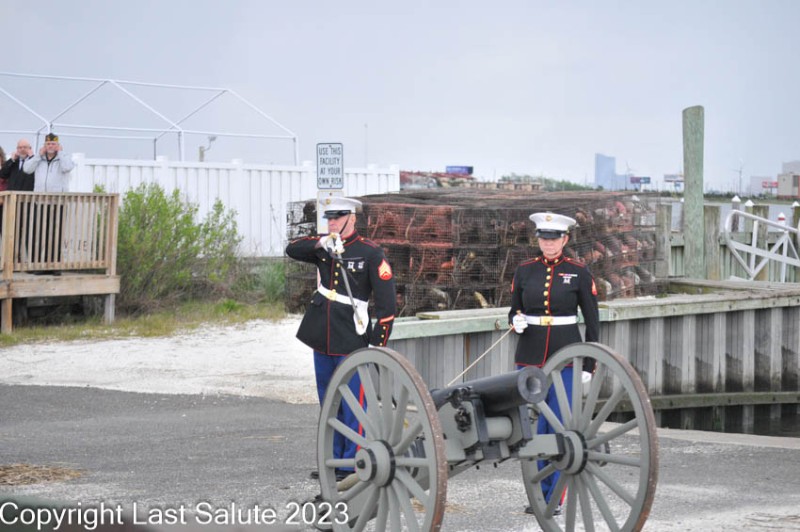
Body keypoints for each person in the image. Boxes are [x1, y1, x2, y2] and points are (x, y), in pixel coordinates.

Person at [285, 196, 397, 481]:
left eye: (337, 218)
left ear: (352, 218)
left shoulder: (370, 253)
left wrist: (376, 345)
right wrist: (321, 243)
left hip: (351, 336)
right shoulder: (324, 247)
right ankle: (333, 460)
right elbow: (292, 249)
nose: (332, 222)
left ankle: (352, 464)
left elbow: (386, 307)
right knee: (328, 400)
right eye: (329, 218)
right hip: (322, 335)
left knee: (353, 404)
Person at [508, 211, 600, 515]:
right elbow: (514, 309)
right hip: (530, 355)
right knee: (533, 428)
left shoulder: (579, 272)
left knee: (558, 424)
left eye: (554, 238)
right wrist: (515, 321)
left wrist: (589, 363)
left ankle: (554, 497)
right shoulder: (524, 270)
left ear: (565, 239)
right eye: (544, 239)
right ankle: (537, 493)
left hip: (566, 356)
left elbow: (592, 321)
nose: (548, 244)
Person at [22, 133, 74, 272]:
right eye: (48, 144)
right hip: (41, 202)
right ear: (44, 145)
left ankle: (55, 266)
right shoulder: (39, 159)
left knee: (56, 234)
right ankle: (41, 265)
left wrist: (60, 153)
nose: (51, 146)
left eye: (53, 144)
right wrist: (38, 156)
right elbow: (27, 169)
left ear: (58, 145)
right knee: (40, 234)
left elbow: (67, 167)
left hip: (58, 202)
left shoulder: (63, 158)